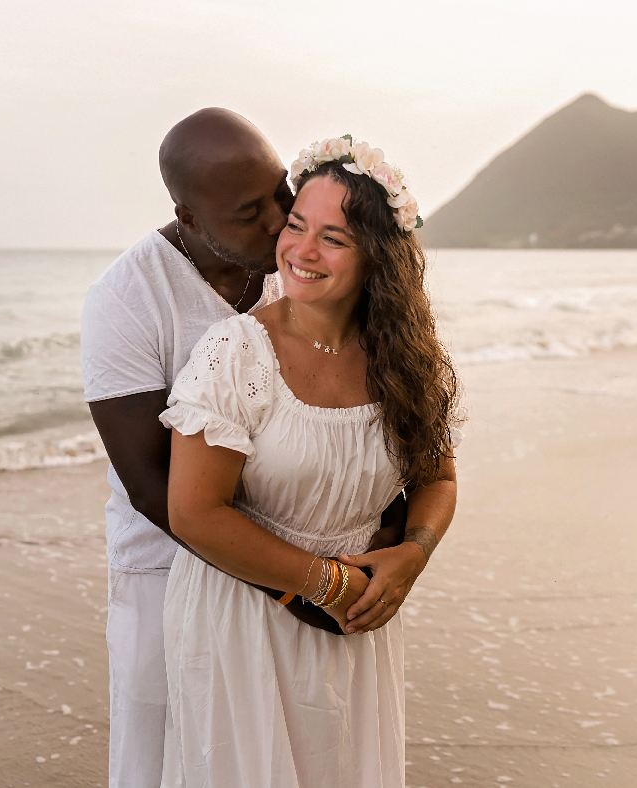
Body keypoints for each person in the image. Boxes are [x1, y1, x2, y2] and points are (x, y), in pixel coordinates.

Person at [160, 133, 457, 788]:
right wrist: (327, 584)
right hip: (245, 622)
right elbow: (194, 513)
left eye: (333, 238)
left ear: (377, 256)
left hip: (359, 623)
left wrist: (413, 553)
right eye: (296, 226)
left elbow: (438, 478)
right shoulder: (234, 352)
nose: (301, 250)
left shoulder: (405, 358)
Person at [80, 109, 292, 788]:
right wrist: (296, 586)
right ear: (191, 218)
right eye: (249, 211)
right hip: (163, 568)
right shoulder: (125, 297)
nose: (278, 221)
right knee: (157, 755)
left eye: (281, 192)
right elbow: (148, 484)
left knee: (265, 751)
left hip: (287, 556)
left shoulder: (297, 266)